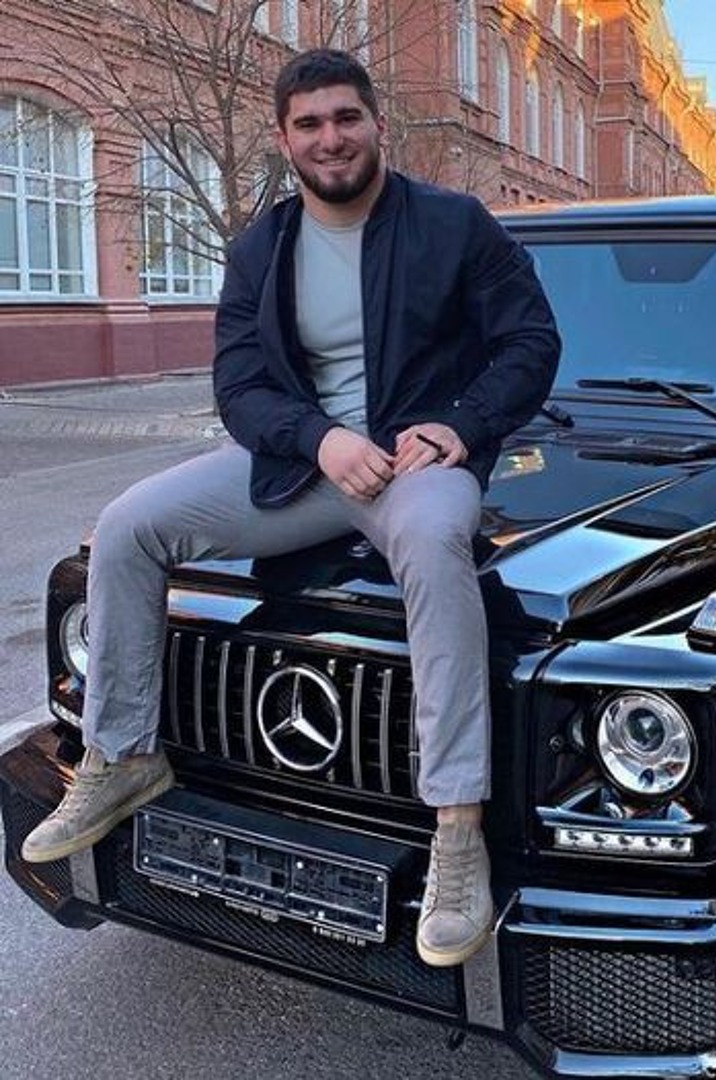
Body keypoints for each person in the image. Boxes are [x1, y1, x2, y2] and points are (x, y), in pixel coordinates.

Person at [21, 48, 560, 969]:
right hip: (302, 470)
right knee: (128, 527)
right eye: (309, 124)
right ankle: (124, 756)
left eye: (346, 117)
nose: (330, 138)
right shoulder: (260, 248)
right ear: (284, 138)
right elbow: (239, 386)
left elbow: (531, 341)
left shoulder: (453, 224)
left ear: (376, 122)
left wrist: (463, 425)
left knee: (437, 544)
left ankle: (457, 829)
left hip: (413, 466)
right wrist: (319, 439)